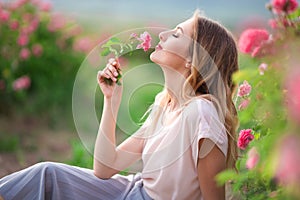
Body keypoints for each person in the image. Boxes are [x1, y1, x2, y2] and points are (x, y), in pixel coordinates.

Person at [0, 9, 239, 200]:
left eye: (176, 34)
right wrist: (111, 100)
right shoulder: (164, 105)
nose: (163, 35)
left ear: (192, 59)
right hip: (127, 191)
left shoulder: (202, 113)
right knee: (46, 175)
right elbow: (105, 167)